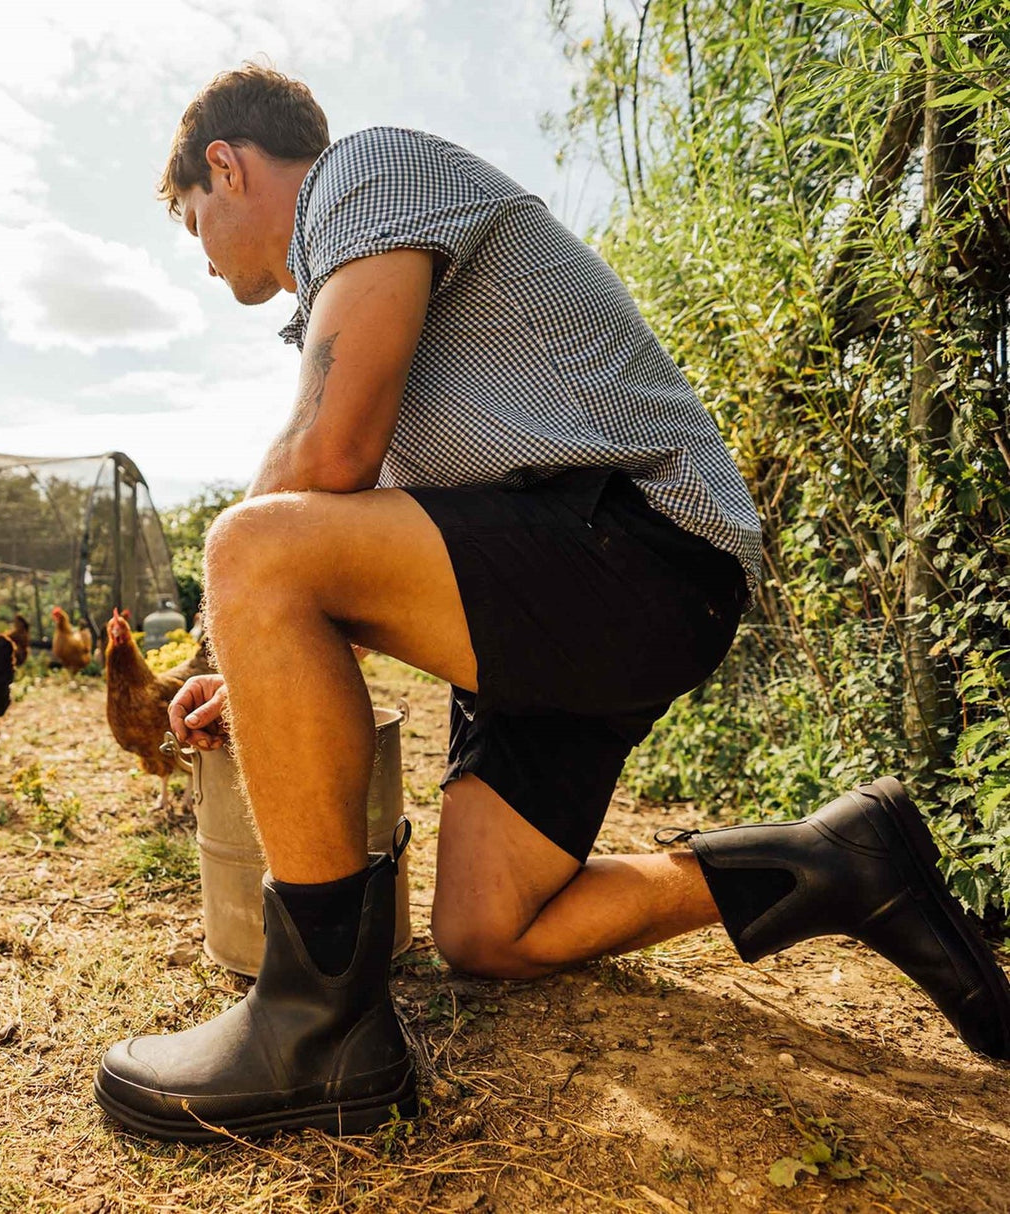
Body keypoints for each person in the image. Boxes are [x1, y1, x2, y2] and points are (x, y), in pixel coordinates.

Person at [92, 64, 1010, 1143]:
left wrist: (227, 613)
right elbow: (363, 554)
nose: (201, 255)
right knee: (488, 928)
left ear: (225, 165)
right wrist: (245, 654)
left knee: (250, 541)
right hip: (556, 599)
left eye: (195, 222)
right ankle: (834, 856)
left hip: (637, 551)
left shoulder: (364, 171)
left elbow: (322, 458)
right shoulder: (358, 294)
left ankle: (317, 1025)